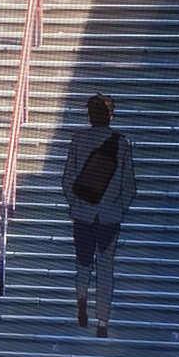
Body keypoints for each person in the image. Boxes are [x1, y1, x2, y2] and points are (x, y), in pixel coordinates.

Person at [61, 94, 136, 338]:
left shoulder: (77, 140)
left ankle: (82, 301)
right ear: (111, 116)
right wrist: (119, 207)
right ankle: (102, 321)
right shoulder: (122, 143)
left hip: (83, 214)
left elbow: (67, 179)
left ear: (89, 115)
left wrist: (76, 203)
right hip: (109, 217)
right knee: (106, 268)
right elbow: (129, 185)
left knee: (82, 262)